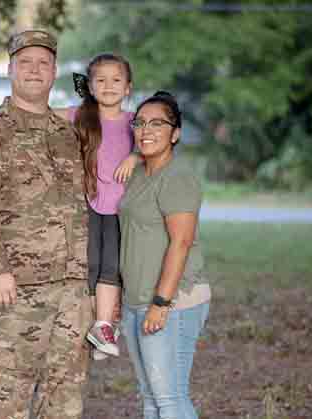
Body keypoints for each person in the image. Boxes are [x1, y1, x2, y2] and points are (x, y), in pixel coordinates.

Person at [0, 30, 91, 419]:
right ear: (10, 70)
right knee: (4, 399)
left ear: (53, 73)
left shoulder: (68, 135)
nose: (35, 70)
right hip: (14, 293)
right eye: (26, 63)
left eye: (44, 63)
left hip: (72, 293)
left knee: (64, 400)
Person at [119, 91, 211, 419]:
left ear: (175, 134)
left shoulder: (178, 177)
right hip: (134, 300)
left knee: (170, 399)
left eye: (158, 123)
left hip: (171, 301)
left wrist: (161, 303)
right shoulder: (140, 173)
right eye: (140, 123)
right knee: (150, 398)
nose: (146, 129)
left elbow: (181, 243)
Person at [53, 53, 138, 360]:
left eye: (117, 80)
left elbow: (160, 138)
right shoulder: (81, 116)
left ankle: (104, 324)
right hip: (88, 203)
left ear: (128, 87)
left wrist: (135, 156)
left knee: (112, 267)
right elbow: (44, 115)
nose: (109, 86)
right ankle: (96, 327)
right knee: (89, 265)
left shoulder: (134, 122)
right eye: (100, 80)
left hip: (121, 209)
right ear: (89, 86)